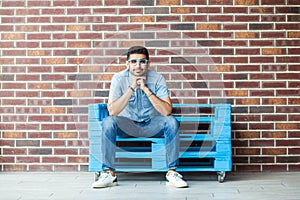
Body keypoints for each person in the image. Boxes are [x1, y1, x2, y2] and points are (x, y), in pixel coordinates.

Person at [92, 46, 188, 188]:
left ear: (148, 64)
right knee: (108, 122)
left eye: (142, 62)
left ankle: (172, 173)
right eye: (133, 61)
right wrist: (131, 88)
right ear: (127, 64)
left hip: (151, 125)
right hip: (127, 126)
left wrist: (145, 89)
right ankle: (108, 173)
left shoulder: (157, 78)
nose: (138, 65)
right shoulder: (118, 79)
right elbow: (113, 111)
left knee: (171, 121)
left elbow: (167, 110)